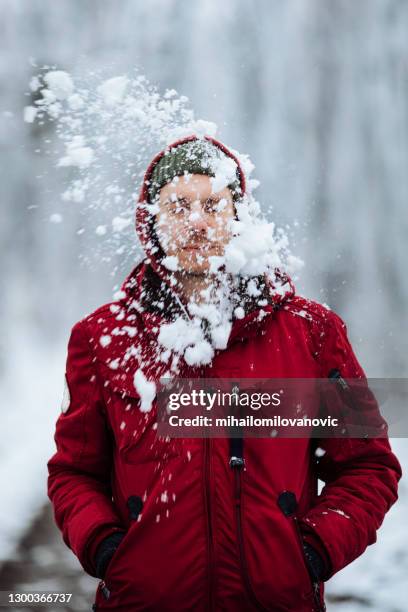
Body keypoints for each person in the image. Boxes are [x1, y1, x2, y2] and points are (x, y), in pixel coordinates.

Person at [47, 135, 402, 612]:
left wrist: (312, 554)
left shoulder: (312, 333)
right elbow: (74, 473)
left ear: (239, 218)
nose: (196, 221)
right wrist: (107, 549)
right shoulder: (101, 339)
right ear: (151, 222)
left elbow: (367, 467)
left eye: (213, 204)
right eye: (178, 206)